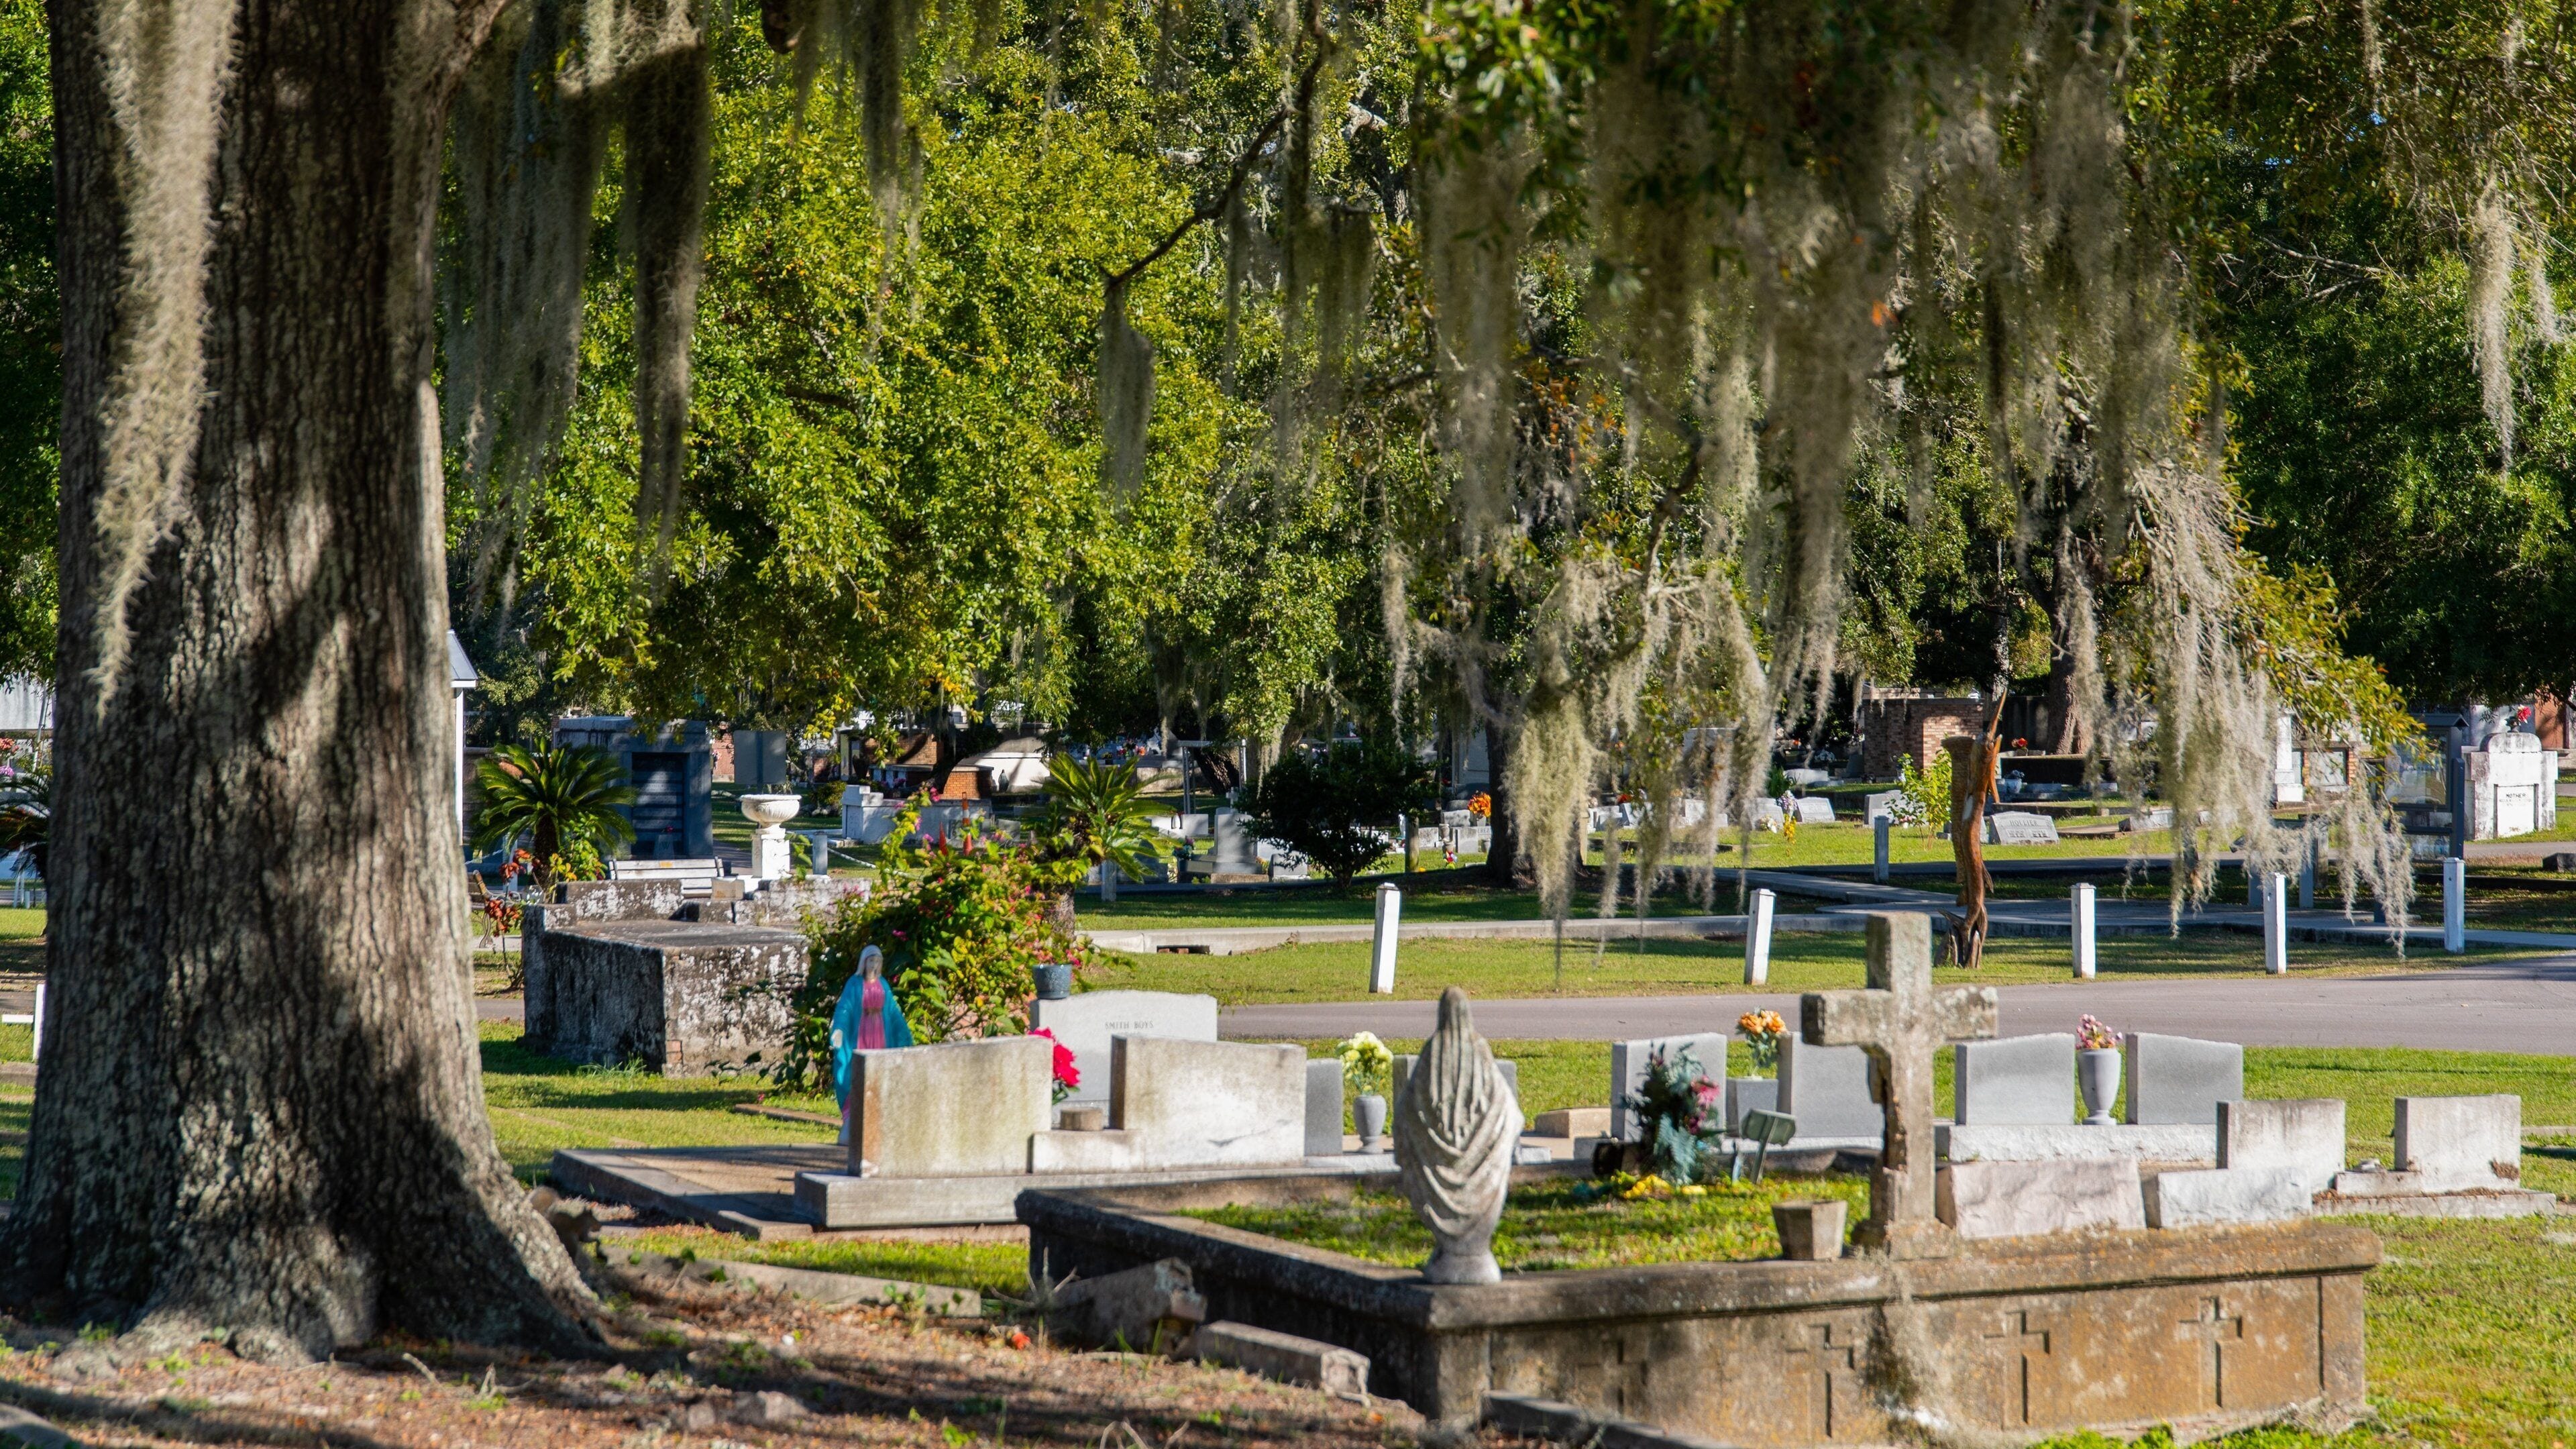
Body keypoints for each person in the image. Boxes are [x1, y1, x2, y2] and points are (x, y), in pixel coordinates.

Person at [830, 946, 913, 1142]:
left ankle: (878, 1126)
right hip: (860, 1038)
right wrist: (840, 1030)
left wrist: (903, 1034)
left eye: (877, 962)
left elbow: (893, 1012)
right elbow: (845, 1009)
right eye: (870, 961)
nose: (873, 966)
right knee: (855, 1077)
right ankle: (850, 1126)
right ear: (864, 963)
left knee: (879, 1077)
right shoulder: (855, 984)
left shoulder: (883, 984)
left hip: (881, 1038)